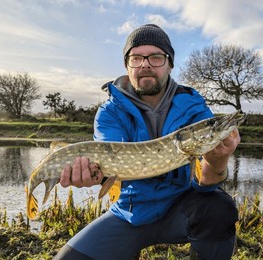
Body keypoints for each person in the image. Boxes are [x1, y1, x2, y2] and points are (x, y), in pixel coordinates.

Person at [54, 24, 240, 260]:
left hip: (182, 211)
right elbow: (106, 168)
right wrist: (93, 175)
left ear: (170, 63)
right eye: (136, 58)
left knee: (218, 207)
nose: (145, 65)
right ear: (127, 65)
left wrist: (218, 161)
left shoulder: (194, 107)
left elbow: (206, 184)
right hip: (129, 214)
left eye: (155, 57)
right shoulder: (109, 112)